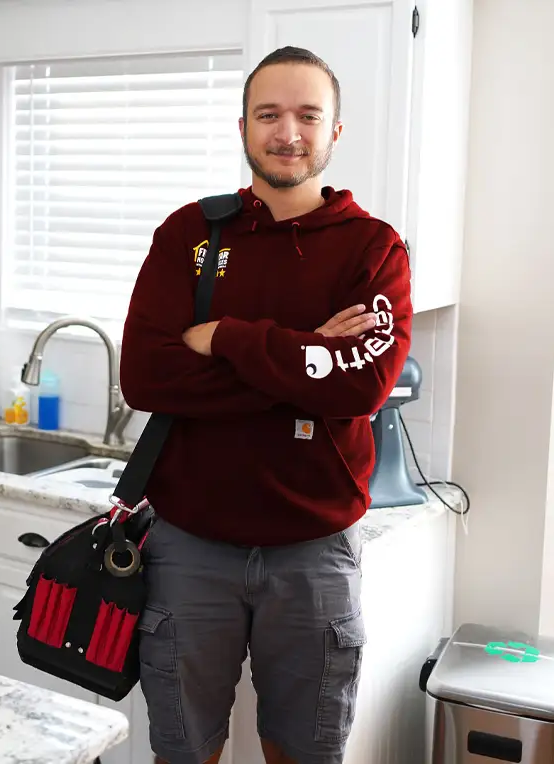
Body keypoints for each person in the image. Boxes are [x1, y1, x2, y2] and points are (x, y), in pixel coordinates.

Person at [119, 46, 413, 764]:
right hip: (189, 545)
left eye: (308, 115)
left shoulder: (373, 251)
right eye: (269, 114)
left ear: (335, 131)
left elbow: (360, 387)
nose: (289, 132)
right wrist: (305, 355)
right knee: (184, 752)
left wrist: (224, 336)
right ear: (243, 126)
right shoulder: (190, 235)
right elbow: (147, 376)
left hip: (315, 552)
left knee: (305, 753)